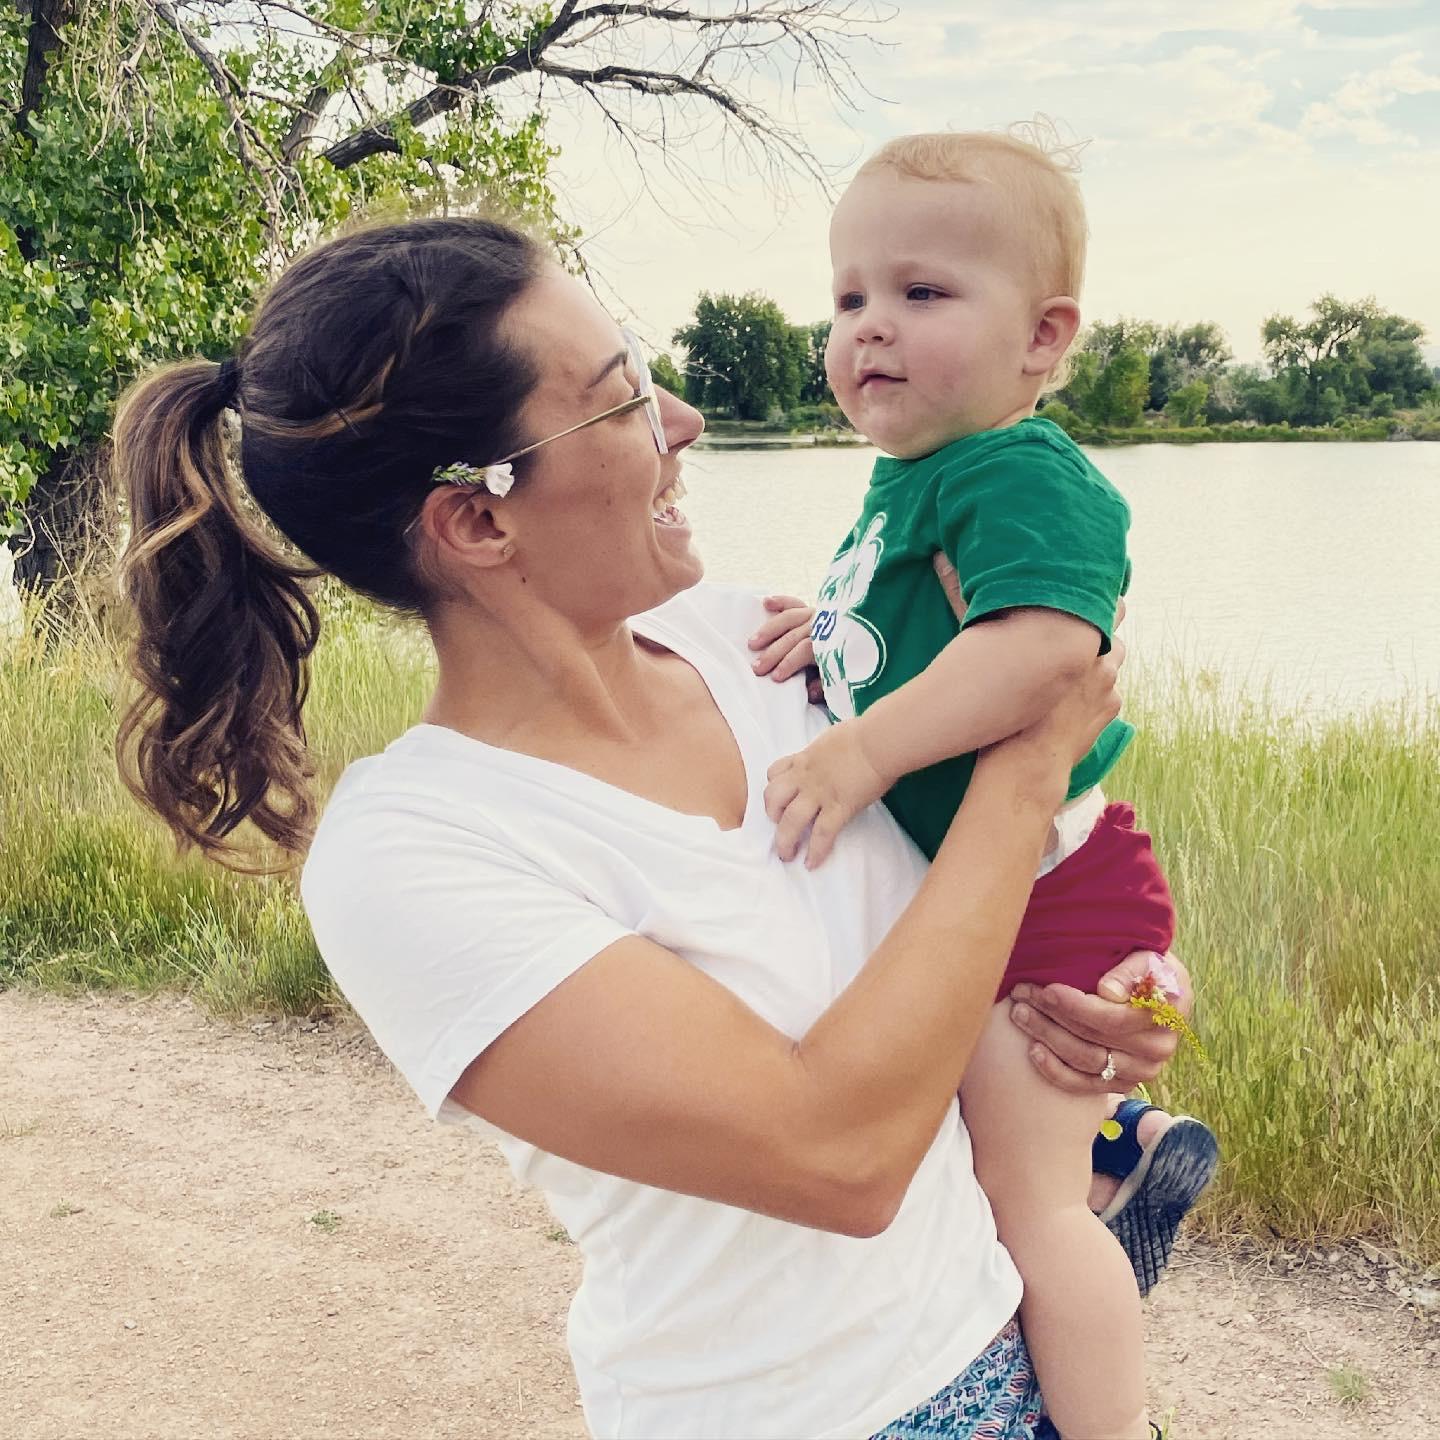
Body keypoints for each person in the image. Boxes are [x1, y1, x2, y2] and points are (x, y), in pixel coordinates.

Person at [113, 214, 1197, 1440]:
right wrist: (1022, 769)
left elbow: (993, 896)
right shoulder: (418, 850)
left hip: (1017, 1330)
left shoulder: (770, 646)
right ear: (478, 522)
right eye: (622, 400)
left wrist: (1118, 998)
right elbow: (840, 1157)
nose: (683, 418)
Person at [764, 131, 1218, 1440]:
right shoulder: (922, 474)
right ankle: (1120, 1145)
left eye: (921, 294)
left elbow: (1042, 650)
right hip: (1006, 876)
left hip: (1045, 889)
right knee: (1013, 1173)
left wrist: (862, 747)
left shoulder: (1025, 472)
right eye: (849, 298)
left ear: (1043, 337)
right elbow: (924, 641)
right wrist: (832, 639)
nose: (868, 329)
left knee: (1032, 1217)